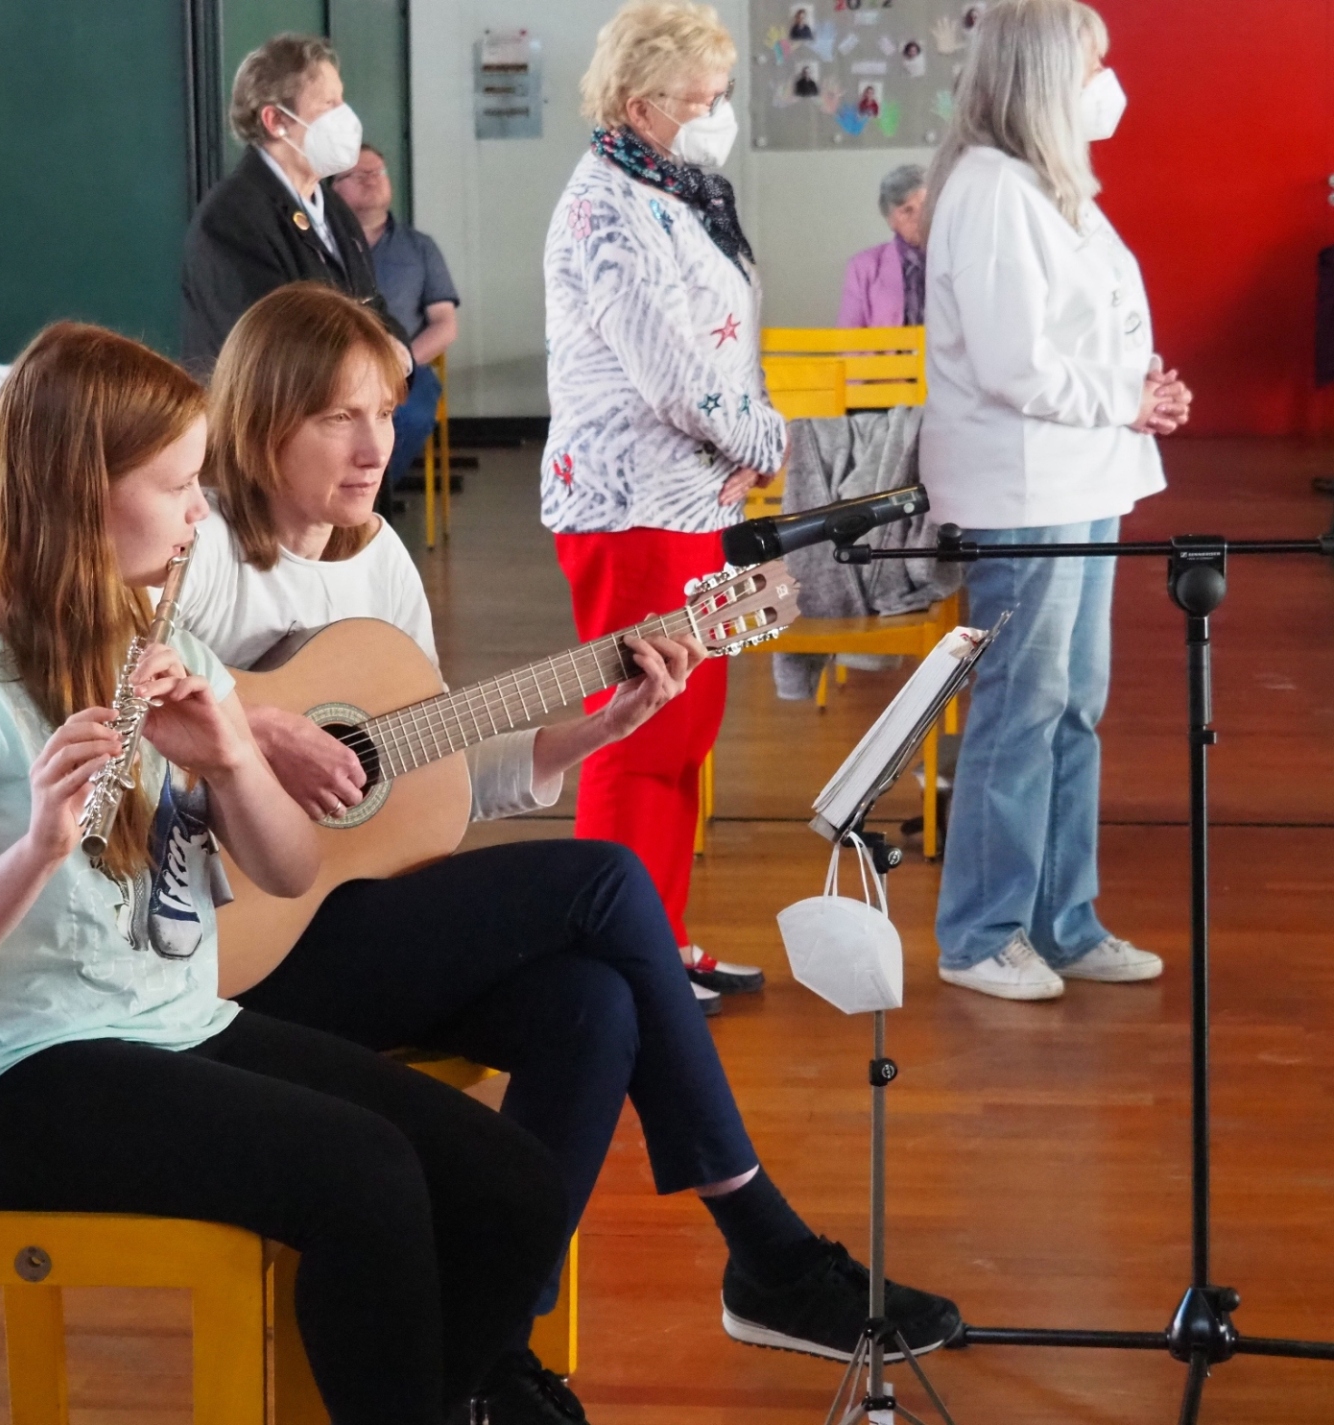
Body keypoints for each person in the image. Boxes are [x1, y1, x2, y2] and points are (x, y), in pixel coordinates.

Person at [182, 283, 963, 1423]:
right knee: (604, 878)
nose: (374, 445)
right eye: (337, 417)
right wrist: (254, 735)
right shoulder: (200, 551)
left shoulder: (378, 559)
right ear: (261, 422)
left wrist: (592, 728)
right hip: (229, 946)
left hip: (348, 920)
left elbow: (428, 767)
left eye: (385, 411)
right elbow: (112, 700)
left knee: (591, 1009)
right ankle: (761, 1241)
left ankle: (491, 1348)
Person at [0, 321, 569, 1425]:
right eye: (177, 485)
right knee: (365, 1175)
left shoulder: (161, 645)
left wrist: (235, 757)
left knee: (513, 1186)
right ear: (81, 493)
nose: (202, 511)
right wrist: (39, 845)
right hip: (20, 1085)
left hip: (180, 1025)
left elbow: (288, 870)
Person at [920, 0, 1192, 1000]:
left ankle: (1061, 920)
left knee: (1073, 705)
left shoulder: (1049, 183)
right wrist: (1124, 398)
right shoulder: (991, 188)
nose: (1105, 85)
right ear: (1041, 77)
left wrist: (1140, 388)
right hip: (1023, 486)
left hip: (1084, 474)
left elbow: (1091, 330)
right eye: (1091, 66)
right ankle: (979, 933)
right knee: (1019, 708)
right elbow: (1013, 364)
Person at [543, 2, 786, 994]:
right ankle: (618, 961)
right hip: (632, 504)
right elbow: (675, 375)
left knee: (684, 736)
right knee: (636, 730)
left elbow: (721, 346)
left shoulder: (676, 189)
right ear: (639, 105)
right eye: (700, 98)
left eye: (721, 94)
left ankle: (664, 941)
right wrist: (766, 437)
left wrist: (746, 444)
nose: (717, 114)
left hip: (695, 501)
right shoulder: (608, 204)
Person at [178, 33, 409, 373]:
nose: (345, 116)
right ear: (276, 121)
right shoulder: (230, 219)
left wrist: (400, 355)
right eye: (328, 104)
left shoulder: (335, 209)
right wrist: (374, 358)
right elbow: (272, 346)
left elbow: (373, 309)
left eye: (341, 100)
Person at [333, 143, 460, 508]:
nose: (372, 180)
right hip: (335, 369)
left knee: (411, 416)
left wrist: (399, 363)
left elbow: (444, 324)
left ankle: (371, 501)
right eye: (359, 175)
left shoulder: (420, 248)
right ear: (334, 187)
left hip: (404, 371)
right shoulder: (324, 247)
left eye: (378, 172)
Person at [839, 164, 929, 328]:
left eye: (926, 207)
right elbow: (849, 339)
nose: (919, 217)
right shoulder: (863, 267)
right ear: (890, 220)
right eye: (907, 210)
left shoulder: (958, 259)